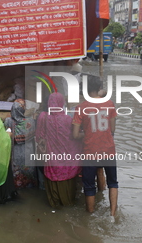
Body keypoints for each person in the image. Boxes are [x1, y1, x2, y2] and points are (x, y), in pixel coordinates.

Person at [72, 75, 118, 221]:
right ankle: (112, 215)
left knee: (89, 186)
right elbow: (112, 129)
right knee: (113, 182)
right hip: (108, 150)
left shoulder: (80, 108)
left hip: (90, 151)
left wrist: (84, 134)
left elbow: (74, 134)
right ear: (98, 88)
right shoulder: (109, 104)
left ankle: (90, 216)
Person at [36, 92, 82, 208]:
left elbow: (39, 137)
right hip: (66, 159)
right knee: (67, 184)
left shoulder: (44, 117)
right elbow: (74, 137)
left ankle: (54, 203)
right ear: (62, 103)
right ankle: (67, 203)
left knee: (52, 179)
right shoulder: (68, 119)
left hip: (51, 159)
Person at [4, 99, 37, 189]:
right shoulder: (30, 121)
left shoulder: (8, 121)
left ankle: (18, 187)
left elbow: (7, 136)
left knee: (17, 172)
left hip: (16, 152)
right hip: (28, 152)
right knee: (29, 172)